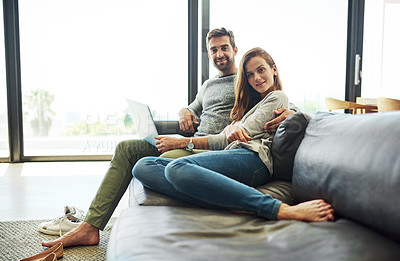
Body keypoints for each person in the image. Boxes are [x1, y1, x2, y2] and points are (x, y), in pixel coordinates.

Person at [41, 28, 295, 248]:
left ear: (235, 49)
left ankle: (226, 196)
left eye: (224, 48)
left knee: (173, 164)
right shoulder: (209, 85)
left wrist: (293, 112)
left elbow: (275, 99)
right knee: (127, 150)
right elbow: (192, 107)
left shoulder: (245, 81)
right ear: (209, 53)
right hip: (199, 143)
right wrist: (185, 111)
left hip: (213, 150)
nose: (220, 54)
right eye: (214, 49)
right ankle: (90, 226)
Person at [133, 47, 335, 222]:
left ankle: (276, 209)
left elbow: (301, 118)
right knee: (142, 167)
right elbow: (225, 137)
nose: (256, 78)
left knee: (177, 168)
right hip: (233, 155)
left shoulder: (277, 97)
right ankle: (229, 201)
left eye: (261, 70)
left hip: (253, 159)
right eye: (249, 74)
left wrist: (181, 143)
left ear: (274, 69)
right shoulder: (251, 106)